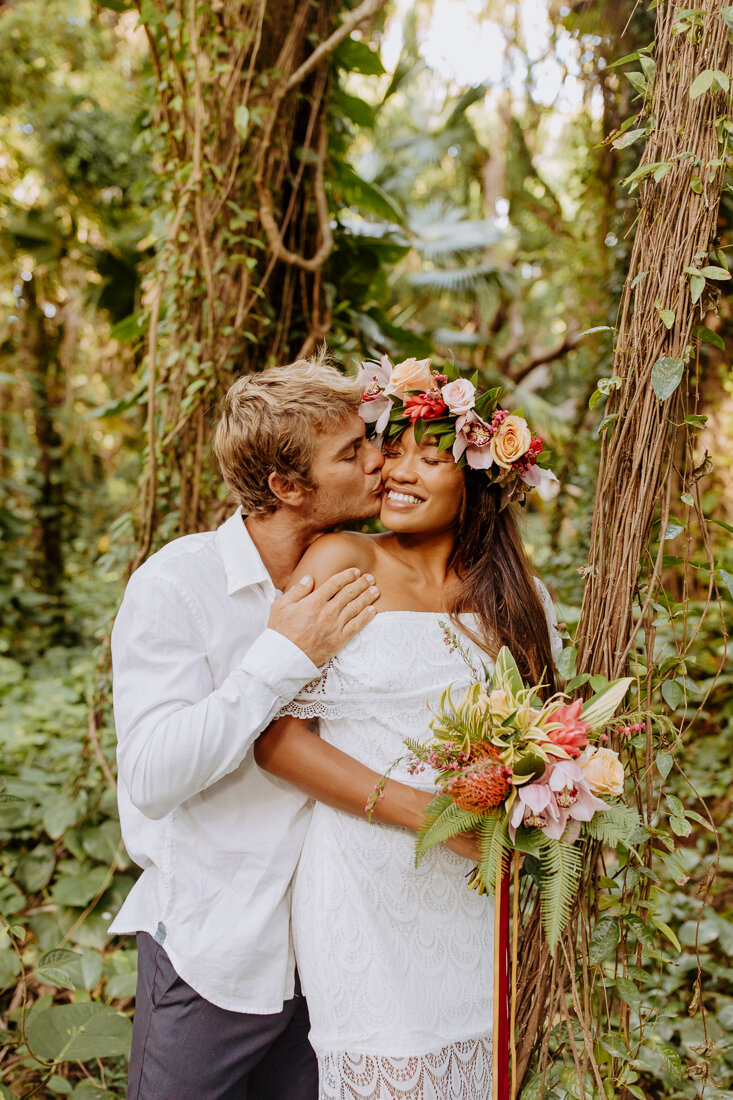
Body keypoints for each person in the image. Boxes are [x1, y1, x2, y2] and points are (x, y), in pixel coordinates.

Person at [111, 351, 479, 1100]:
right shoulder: (177, 587)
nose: (382, 462)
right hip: (217, 949)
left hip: (338, 950)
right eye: (354, 451)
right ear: (286, 486)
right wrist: (280, 656)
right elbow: (150, 778)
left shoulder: (360, 573)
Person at [254, 356, 563, 1100]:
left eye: (432, 458)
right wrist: (425, 813)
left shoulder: (518, 597)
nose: (397, 471)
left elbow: (546, 736)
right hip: (362, 880)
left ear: (479, 480)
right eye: (390, 450)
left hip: (472, 887)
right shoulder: (340, 558)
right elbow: (275, 738)